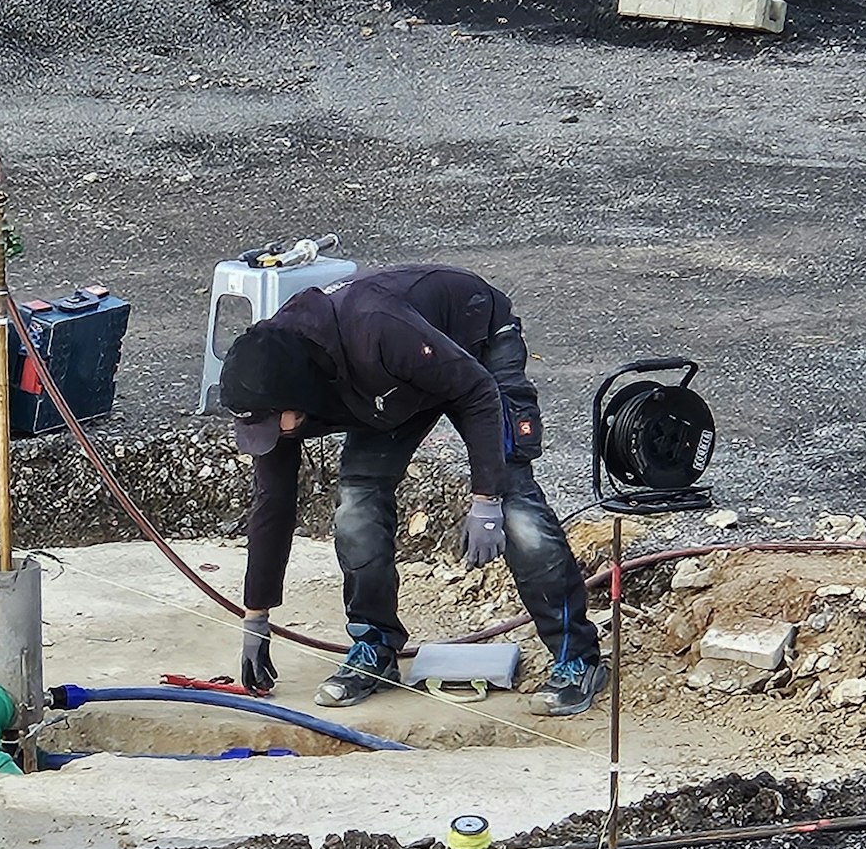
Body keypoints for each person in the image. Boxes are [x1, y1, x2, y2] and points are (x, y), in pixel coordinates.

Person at [218, 264, 607, 715]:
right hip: (389, 389)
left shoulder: (375, 332)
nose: (273, 434)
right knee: (356, 506)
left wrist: (486, 499)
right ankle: (375, 648)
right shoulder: (273, 384)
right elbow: (274, 503)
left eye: (273, 422)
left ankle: (577, 659)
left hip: (471, 344)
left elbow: (478, 391)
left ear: (295, 396)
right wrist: (256, 616)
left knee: (515, 503)